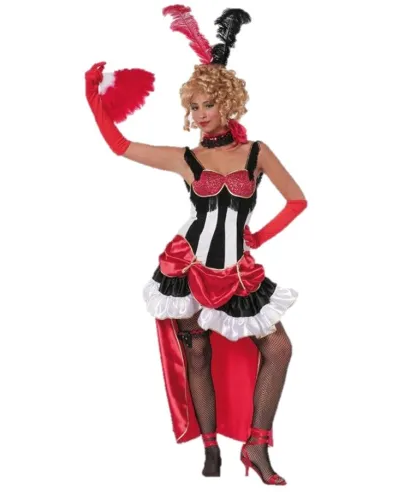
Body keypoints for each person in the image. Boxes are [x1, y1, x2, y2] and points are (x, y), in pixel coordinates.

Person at [85, 5, 307, 485]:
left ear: (226, 103)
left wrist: (258, 236)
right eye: (193, 107)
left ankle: (256, 445)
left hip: (238, 273)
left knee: (279, 349)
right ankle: (210, 449)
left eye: (206, 105)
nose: (198, 115)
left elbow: (297, 200)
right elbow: (120, 146)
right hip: (188, 270)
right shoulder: (188, 158)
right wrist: (93, 97)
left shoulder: (257, 153)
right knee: (199, 354)